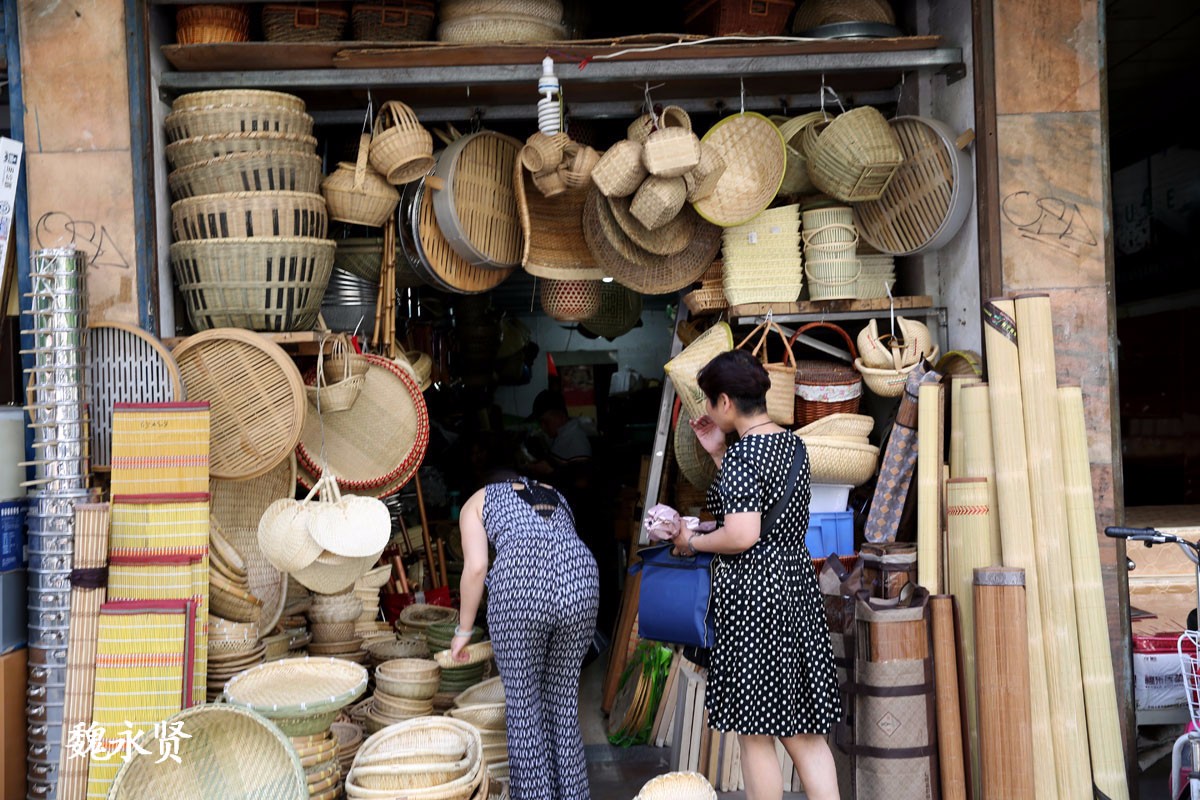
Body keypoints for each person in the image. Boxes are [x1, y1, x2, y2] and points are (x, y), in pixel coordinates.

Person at [669, 349, 841, 800]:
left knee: (755, 732)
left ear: (725, 402)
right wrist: (719, 452)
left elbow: (742, 533)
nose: (707, 410)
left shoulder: (747, 457)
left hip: (754, 600)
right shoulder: (792, 445)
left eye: (708, 401)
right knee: (804, 733)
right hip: (795, 590)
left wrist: (692, 541)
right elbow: (763, 506)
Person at [450, 475, 599, 800]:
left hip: (521, 584)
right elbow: (560, 543)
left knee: (523, 707)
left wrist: (464, 630)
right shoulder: (555, 494)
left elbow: (476, 567)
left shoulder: (476, 503)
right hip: (582, 578)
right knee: (562, 701)